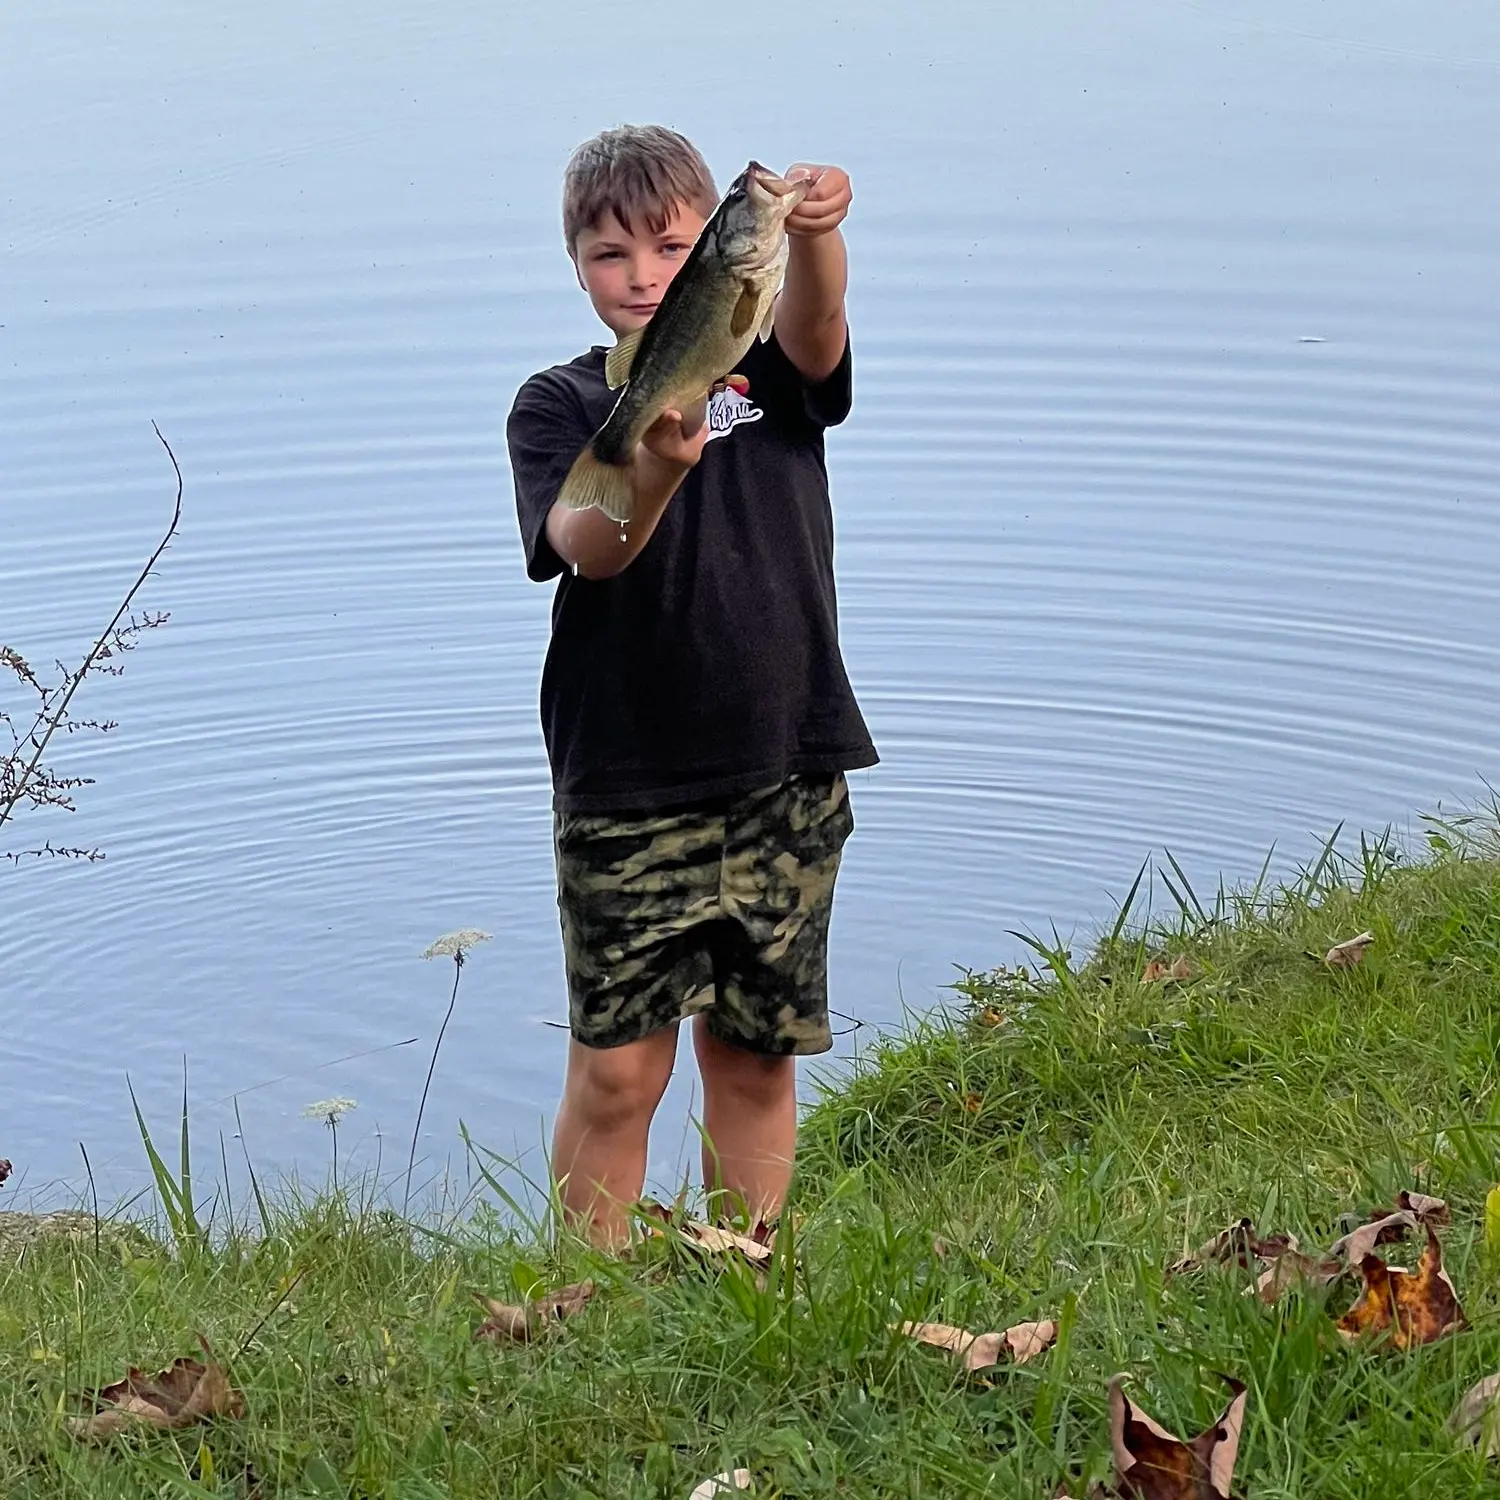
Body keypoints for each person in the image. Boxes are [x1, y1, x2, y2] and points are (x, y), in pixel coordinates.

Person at [506, 124, 877, 1247]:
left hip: (787, 762)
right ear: (577, 266)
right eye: (611, 255)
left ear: (712, 252)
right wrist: (655, 471)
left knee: (757, 1055)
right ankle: (585, 1302)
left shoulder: (765, 366)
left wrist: (818, 237)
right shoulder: (560, 406)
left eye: (670, 247)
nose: (644, 275)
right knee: (620, 1073)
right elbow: (587, 541)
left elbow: (815, 329)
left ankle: (745, 1281)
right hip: (627, 779)